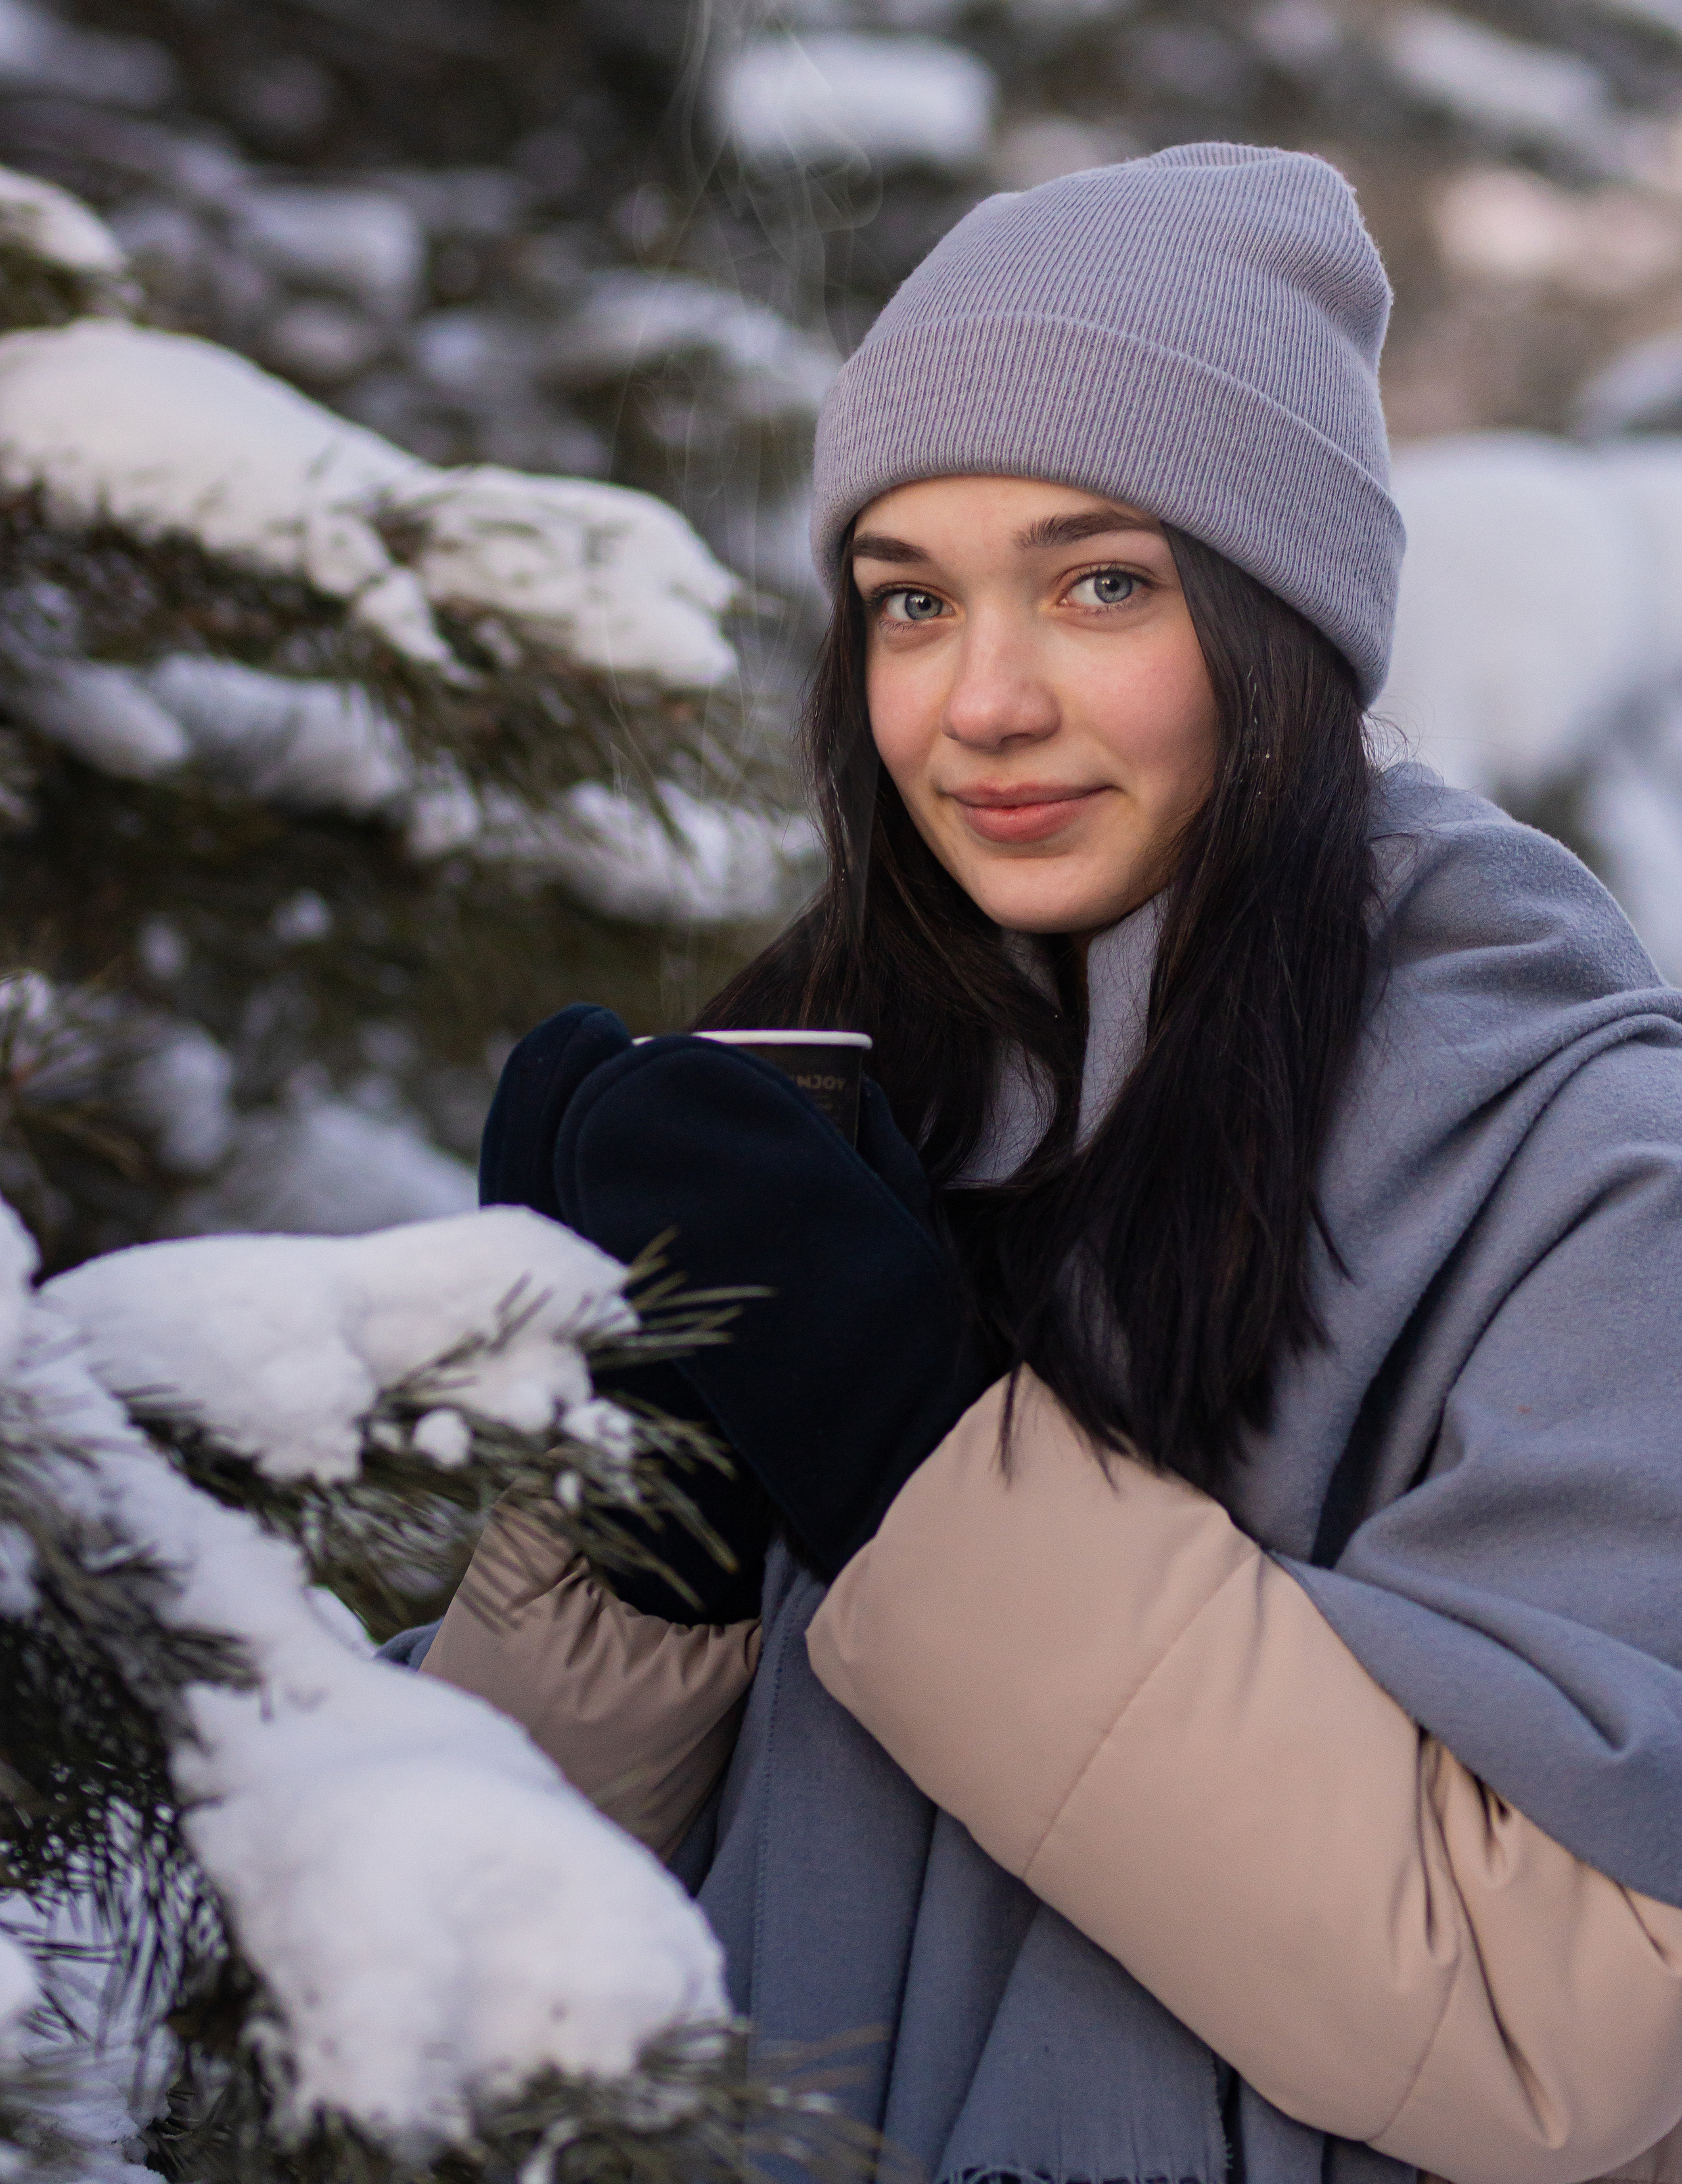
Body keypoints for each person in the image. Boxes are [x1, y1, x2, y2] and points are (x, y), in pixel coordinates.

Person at [417, 145, 1682, 2184]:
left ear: (1283, 617)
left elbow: (1589, 2021)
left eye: (1102, 582)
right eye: (910, 599)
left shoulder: (1584, 1159)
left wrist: (920, 1455)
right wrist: (628, 1530)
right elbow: (477, 1971)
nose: (982, 703)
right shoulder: (858, 1098)